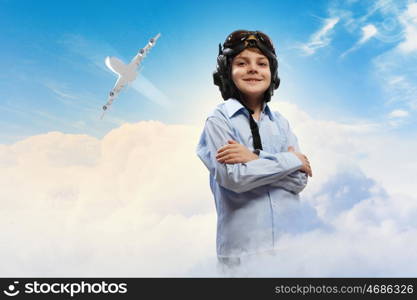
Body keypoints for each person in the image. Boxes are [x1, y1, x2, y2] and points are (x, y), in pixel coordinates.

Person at [196, 30, 312, 270]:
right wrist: (289, 161)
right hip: (241, 255)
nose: (253, 69)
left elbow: (300, 180)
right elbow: (234, 178)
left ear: (273, 73)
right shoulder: (218, 121)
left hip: (289, 247)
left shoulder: (281, 123)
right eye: (241, 63)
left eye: (262, 63)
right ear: (226, 72)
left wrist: (254, 158)